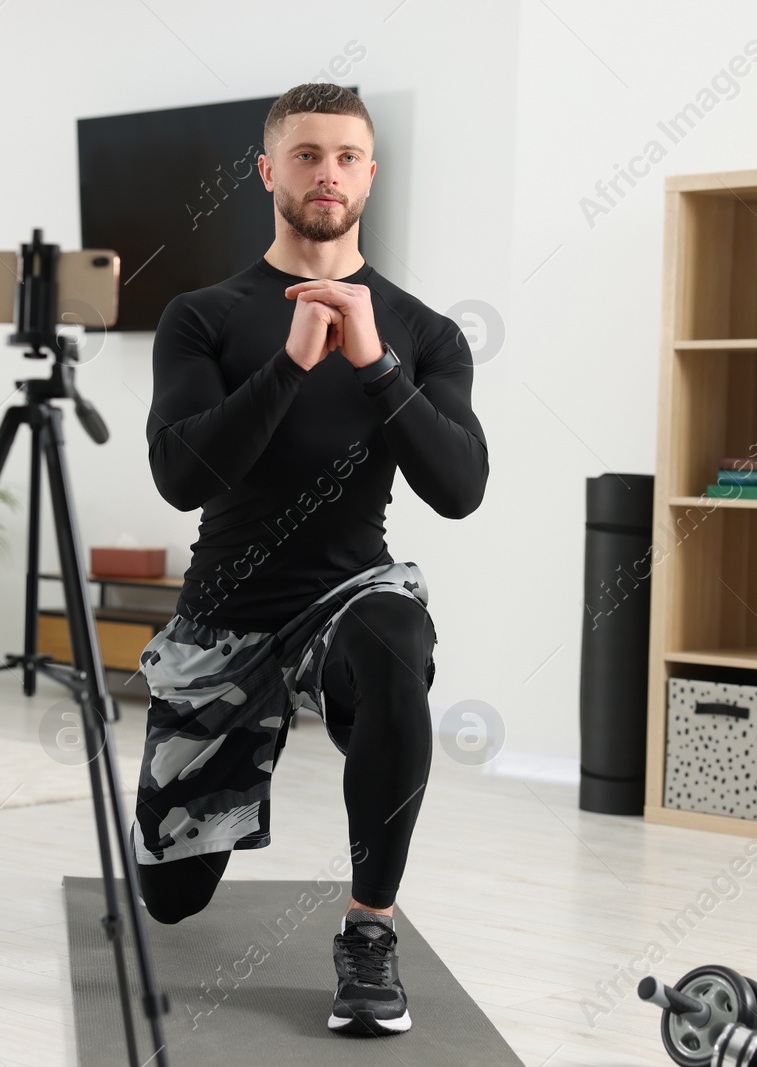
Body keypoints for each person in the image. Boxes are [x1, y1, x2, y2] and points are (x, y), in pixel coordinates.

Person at [129, 81, 489, 1037]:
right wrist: (289, 364)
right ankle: (203, 809)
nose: (325, 173)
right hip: (224, 616)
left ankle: (369, 932)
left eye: (345, 156)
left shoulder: (422, 333)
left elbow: (459, 489)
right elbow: (179, 475)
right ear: (267, 171)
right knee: (171, 898)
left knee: (395, 636)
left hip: (347, 595)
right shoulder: (203, 317)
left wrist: (375, 364)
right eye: (305, 155)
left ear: (369, 172)